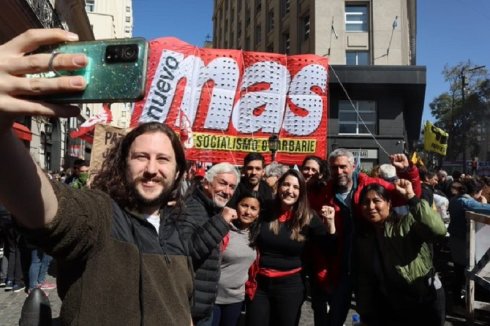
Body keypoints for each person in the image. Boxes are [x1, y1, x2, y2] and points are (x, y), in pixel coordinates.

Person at [0, 29, 193, 325]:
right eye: (141, 157)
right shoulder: (100, 215)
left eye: (163, 159)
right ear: (122, 164)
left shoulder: (179, 227)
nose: (152, 168)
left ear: (178, 171)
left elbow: (181, 304)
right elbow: (52, 212)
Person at [317, 149, 421, 326]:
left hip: (369, 264)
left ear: (353, 166)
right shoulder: (325, 194)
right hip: (341, 266)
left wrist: (408, 171)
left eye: (343, 167)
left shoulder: (371, 185)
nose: (339, 172)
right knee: (335, 317)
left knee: (370, 313)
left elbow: (407, 195)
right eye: (334, 168)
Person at [245, 169, 336, 326]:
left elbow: (329, 248)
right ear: (279, 187)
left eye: (295, 187)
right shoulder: (264, 209)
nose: (290, 190)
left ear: (301, 192)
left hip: (290, 286)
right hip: (260, 284)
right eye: (286, 185)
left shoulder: (309, 217)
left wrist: (331, 223)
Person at [355, 180, 447, 326]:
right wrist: (365, 312)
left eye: (376, 201)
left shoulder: (406, 223)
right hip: (392, 303)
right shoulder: (365, 236)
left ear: (389, 203)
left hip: (423, 298)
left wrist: (412, 197)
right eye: (365, 202)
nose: (371, 207)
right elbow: (365, 276)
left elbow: (438, 230)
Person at [181, 162, 240, 326]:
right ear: (206, 183)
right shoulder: (190, 208)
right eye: (222, 183)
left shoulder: (211, 209)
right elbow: (188, 252)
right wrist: (221, 222)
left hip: (202, 308)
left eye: (232, 187)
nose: (227, 191)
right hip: (189, 310)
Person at [212, 192, 261, 326]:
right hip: (214, 297)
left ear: (258, 214)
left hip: (236, 298)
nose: (247, 211)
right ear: (236, 206)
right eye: (244, 205)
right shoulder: (224, 229)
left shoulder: (257, 236)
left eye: (253, 208)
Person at [448, 178, 490, 307]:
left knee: (458, 271)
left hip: (455, 241)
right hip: (463, 243)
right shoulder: (465, 202)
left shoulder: (455, 199)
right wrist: (484, 202)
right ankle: (463, 300)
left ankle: (458, 297)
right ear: (476, 192)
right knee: (466, 272)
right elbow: (484, 208)